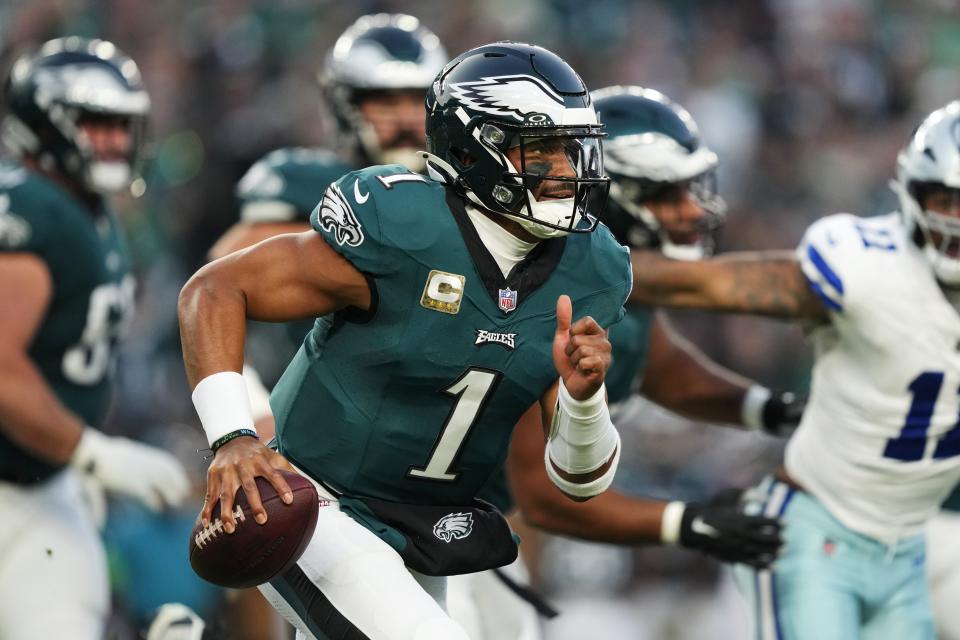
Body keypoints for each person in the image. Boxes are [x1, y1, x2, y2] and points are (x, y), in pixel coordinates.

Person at [179, 42, 631, 640]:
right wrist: (232, 436)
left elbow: (579, 481)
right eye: (542, 148)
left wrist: (583, 399)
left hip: (428, 530)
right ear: (477, 150)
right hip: (316, 503)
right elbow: (213, 289)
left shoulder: (589, 268)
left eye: (571, 149)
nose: (569, 171)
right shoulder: (403, 227)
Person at [445, 85, 795, 640]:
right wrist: (688, 523)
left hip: (473, 530)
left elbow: (662, 368)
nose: (690, 210)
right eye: (665, 194)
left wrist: (768, 409)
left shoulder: (614, 296)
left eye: (689, 189)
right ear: (610, 198)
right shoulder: (551, 299)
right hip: (425, 518)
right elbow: (543, 496)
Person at [626, 100, 960, 639]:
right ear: (915, 196)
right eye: (949, 199)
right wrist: (574, 263)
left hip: (908, 547)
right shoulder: (870, 269)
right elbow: (704, 284)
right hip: (818, 529)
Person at [0, 37, 189, 639]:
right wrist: (90, 451)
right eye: (93, 123)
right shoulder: (34, 208)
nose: (111, 140)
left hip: (40, 481)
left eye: (119, 125)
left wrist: (69, 459)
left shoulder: (85, 212)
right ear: (42, 123)